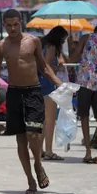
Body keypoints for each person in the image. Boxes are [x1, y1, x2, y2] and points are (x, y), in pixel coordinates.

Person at [0, 9, 62, 194]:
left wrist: (60, 84)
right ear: (4, 25)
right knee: (20, 139)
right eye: (8, 25)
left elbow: (43, 66)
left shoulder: (33, 41)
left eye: (15, 24)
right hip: (14, 94)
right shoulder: (1, 47)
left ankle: (37, 162)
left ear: (21, 22)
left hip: (33, 92)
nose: (12, 28)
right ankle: (30, 179)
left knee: (33, 134)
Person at [69, 23, 97, 164]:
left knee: (84, 117)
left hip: (85, 82)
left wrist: (72, 48)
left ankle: (88, 153)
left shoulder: (86, 38)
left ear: (95, 30)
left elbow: (72, 59)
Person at [38, 26, 69, 161]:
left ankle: (40, 150)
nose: (63, 42)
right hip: (48, 85)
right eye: (63, 40)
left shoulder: (44, 44)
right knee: (50, 121)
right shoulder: (51, 47)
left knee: (44, 121)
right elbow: (48, 65)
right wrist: (57, 68)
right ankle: (49, 151)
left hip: (40, 85)